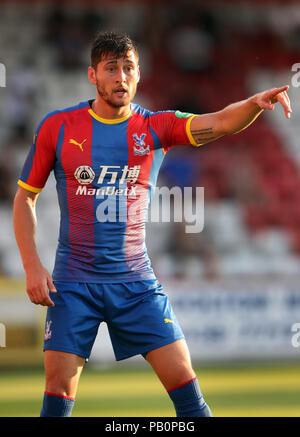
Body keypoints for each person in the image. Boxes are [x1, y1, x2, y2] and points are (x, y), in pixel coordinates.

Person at [13, 31, 291, 418]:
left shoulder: (156, 127)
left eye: (128, 68)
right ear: (93, 75)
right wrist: (31, 265)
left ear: (139, 74)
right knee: (57, 393)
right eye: (111, 68)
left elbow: (223, 122)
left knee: (187, 389)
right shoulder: (58, 127)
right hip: (73, 283)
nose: (120, 77)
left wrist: (254, 104)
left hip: (136, 283)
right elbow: (25, 197)